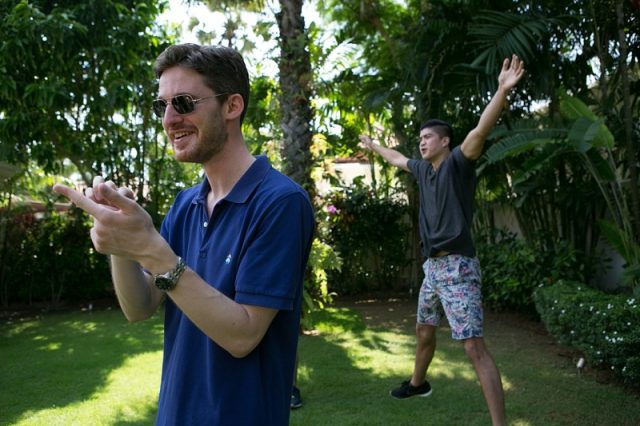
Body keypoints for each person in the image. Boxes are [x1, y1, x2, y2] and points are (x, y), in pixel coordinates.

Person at [53, 43, 315, 425]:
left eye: (185, 103)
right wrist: (121, 240)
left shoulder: (280, 202)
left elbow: (243, 336)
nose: (169, 118)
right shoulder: (185, 204)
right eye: (163, 105)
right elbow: (139, 307)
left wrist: (155, 251)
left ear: (232, 106)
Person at [360, 55, 525, 426]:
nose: (421, 143)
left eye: (427, 137)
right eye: (419, 138)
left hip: (458, 266)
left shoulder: (457, 163)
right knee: (423, 331)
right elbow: (397, 158)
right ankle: (418, 384)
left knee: (473, 347)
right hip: (433, 268)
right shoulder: (423, 170)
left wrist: (501, 89)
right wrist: (373, 146)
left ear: (445, 141)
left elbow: (481, 130)